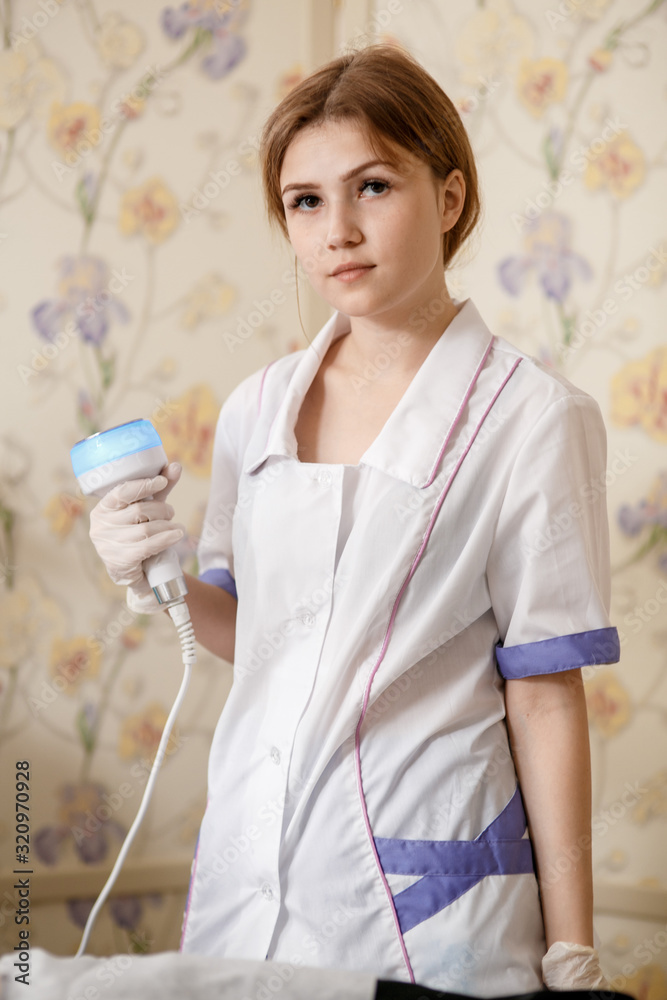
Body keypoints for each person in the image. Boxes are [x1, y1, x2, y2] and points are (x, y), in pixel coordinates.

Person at [88, 44, 621, 996]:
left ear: (449, 197)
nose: (337, 231)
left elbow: (544, 693)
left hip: (430, 908)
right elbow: (258, 636)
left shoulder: (533, 418)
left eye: (372, 186)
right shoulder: (258, 407)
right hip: (250, 877)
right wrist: (149, 571)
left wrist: (570, 950)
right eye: (304, 201)